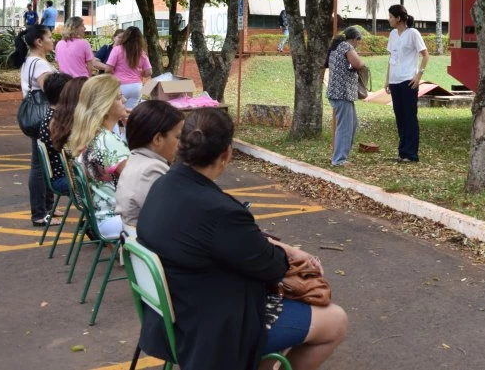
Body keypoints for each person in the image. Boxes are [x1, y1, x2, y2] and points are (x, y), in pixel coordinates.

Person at [136, 109, 348, 370]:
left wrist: (281, 248)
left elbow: (225, 244)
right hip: (212, 330)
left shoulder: (163, 186)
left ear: (182, 145)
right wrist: (289, 253)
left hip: (168, 320)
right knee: (336, 321)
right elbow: (271, 267)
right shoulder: (219, 211)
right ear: (227, 153)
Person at [67, 74, 130, 239]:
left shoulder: (92, 136)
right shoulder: (108, 142)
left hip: (100, 217)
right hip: (117, 218)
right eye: (119, 97)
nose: (124, 100)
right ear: (105, 105)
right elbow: (138, 181)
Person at [10, 24, 56, 226]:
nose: (52, 40)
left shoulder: (30, 61)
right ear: (39, 42)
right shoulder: (40, 64)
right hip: (43, 118)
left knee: (44, 162)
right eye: (50, 37)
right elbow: (51, 91)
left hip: (35, 117)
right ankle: (39, 213)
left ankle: (46, 208)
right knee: (40, 165)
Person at [115, 100, 185, 230]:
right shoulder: (152, 171)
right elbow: (172, 217)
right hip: (145, 241)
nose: (180, 144)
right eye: (177, 137)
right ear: (158, 139)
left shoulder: (136, 159)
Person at [384, 4, 429, 163]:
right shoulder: (392, 35)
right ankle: (402, 152)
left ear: (398, 18)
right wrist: (387, 79)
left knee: (410, 117)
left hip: (408, 80)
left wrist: (418, 75)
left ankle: (411, 154)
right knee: (400, 117)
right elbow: (392, 58)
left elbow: (425, 55)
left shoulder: (413, 34)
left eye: (391, 16)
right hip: (395, 81)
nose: (389, 19)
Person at [326, 27, 365, 167]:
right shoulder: (346, 46)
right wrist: (363, 63)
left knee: (352, 123)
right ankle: (339, 160)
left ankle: (342, 156)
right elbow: (357, 64)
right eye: (359, 40)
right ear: (354, 39)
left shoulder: (336, 46)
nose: (359, 43)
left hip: (340, 93)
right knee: (345, 126)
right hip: (342, 92)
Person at [38, 72, 73, 197]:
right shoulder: (57, 121)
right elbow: (73, 151)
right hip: (64, 177)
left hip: (62, 175)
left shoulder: (53, 116)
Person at [105, 26, 152, 109]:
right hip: (137, 86)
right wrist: (139, 73)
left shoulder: (117, 49)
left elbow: (108, 69)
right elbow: (149, 72)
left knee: (117, 112)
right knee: (130, 113)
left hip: (120, 86)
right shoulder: (141, 53)